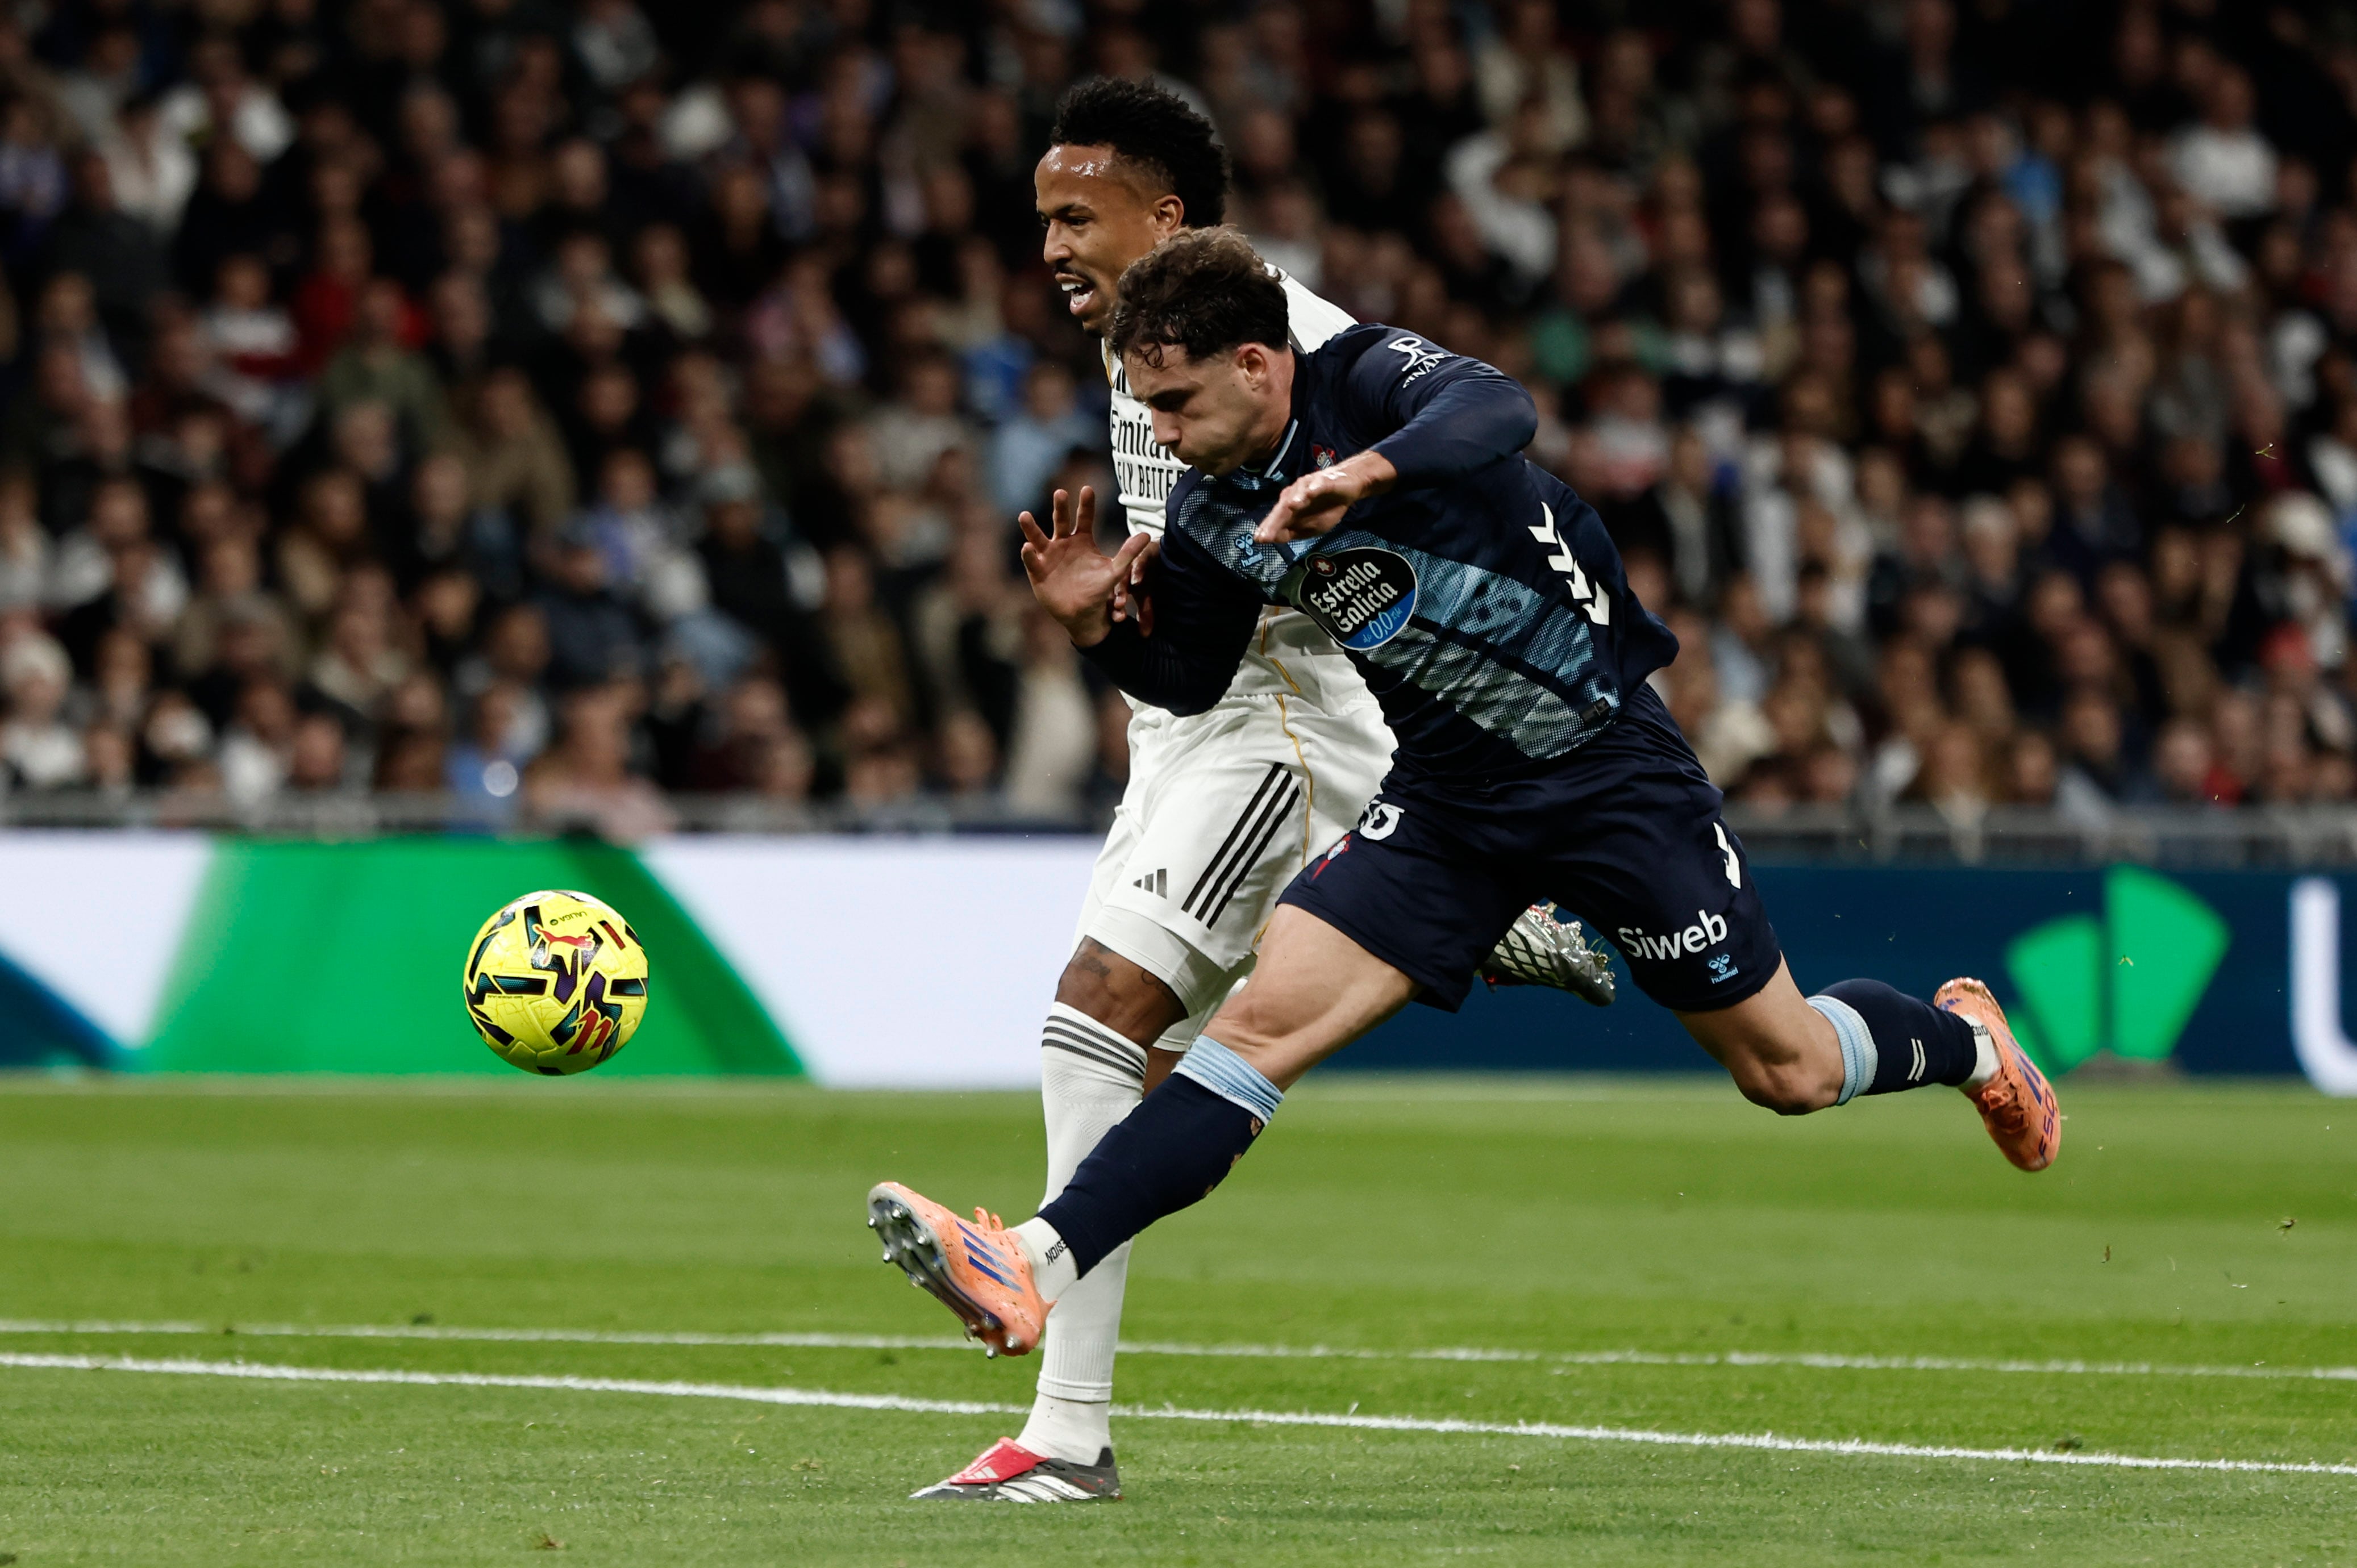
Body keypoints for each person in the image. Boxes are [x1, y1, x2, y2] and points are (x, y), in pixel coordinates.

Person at [865, 229, 2062, 1445]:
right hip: (1446, 805)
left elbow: (1503, 410)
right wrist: (1095, 631)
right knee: (1256, 1032)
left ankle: (1969, 1046)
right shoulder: (1214, 510)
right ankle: (1030, 1258)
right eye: (1145, 407)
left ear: (1256, 365)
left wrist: (1365, 475)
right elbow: (1188, 676)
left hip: (1608, 772)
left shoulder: (1370, 379)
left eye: (1174, 402)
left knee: (1788, 1071)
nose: (1159, 434)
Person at [910, 80, 1615, 1506]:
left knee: (1096, 1013)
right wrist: (1106, 620)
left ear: (1166, 215)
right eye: (1042, 217)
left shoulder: (1287, 335)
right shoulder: (1140, 336)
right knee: (1127, 1061)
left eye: (1075, 216)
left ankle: (1063, 1425)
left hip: (1278, 722)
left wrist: (1358, 495)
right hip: (1191, 723)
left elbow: (1477, 421)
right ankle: (1477, 913)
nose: (1049, 245)